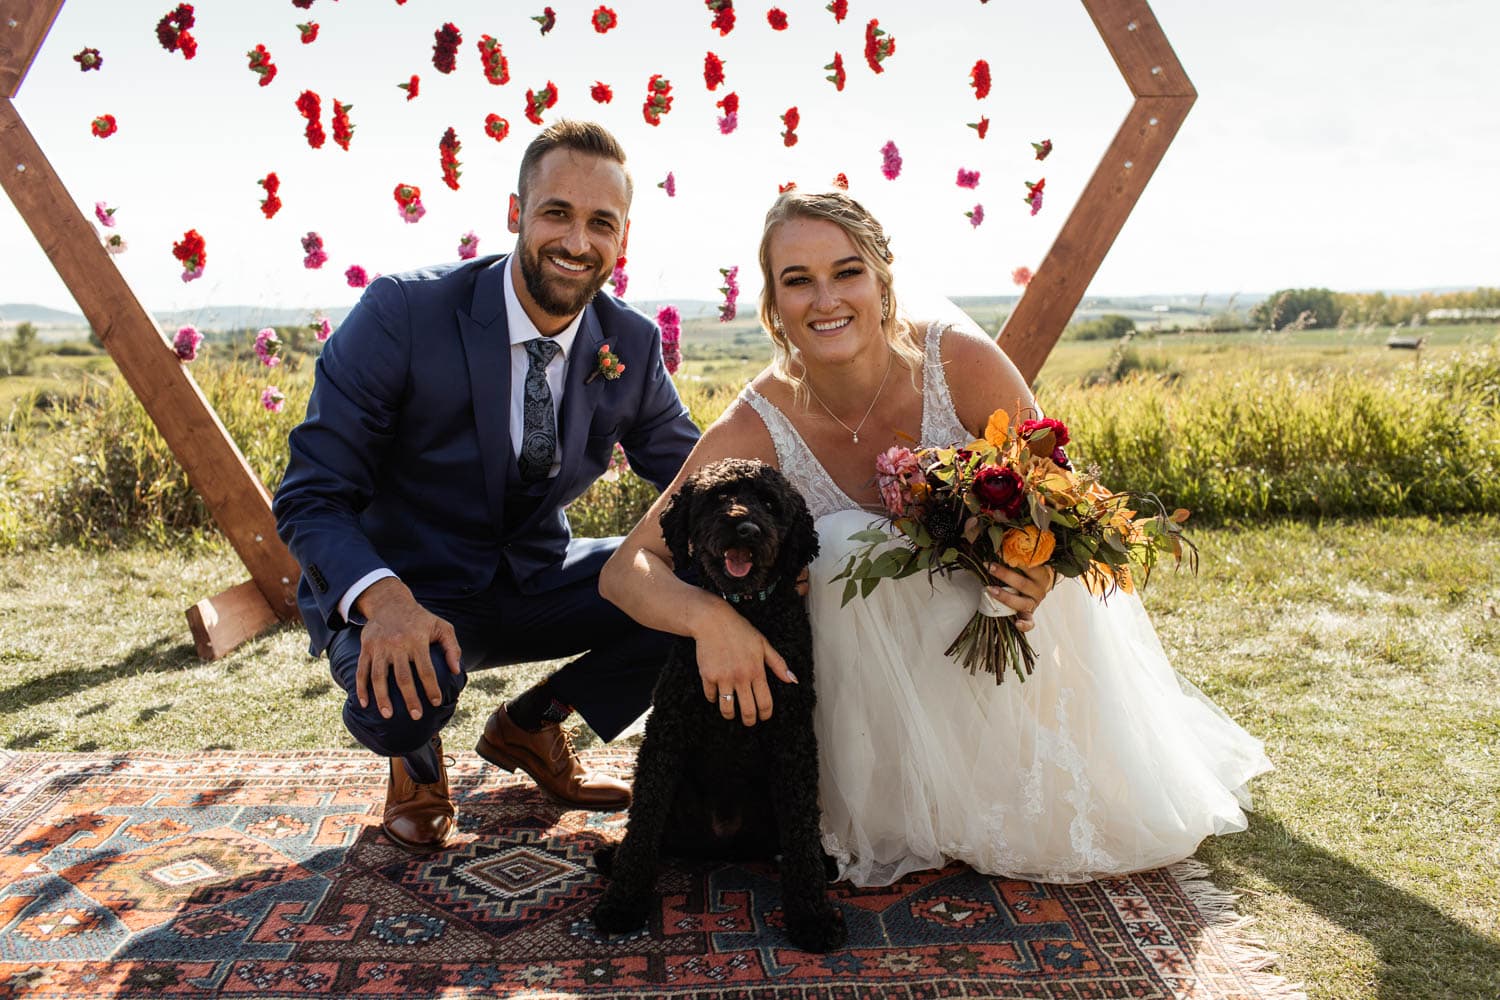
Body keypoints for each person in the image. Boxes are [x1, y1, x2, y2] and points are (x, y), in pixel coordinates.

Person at [600, 190, 1271, 886]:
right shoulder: (755, 423)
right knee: (846, 548)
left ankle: (1000, 785)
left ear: (883, 279)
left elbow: (1062, 500)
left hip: (1008, 647)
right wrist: (712, 621)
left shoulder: (961, 365)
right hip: (875, 717)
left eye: (847, 271)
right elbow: (628, 568)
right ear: (774, 305)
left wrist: (1042, 567)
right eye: (797, 280)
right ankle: (901, 806)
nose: (825, 298)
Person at [274, 120, 700, 854]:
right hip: (407, 590)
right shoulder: (402, 315)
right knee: (411, 697)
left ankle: (534, 724)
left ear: (622, 240)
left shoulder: (627, 343)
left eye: (601, 222)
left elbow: (700, 479)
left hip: (535, 577)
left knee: (705, 582)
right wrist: (385, 601)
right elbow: (311, 493)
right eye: (556, 212)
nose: (576, 241)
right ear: (514, 215)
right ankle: (415, 761)